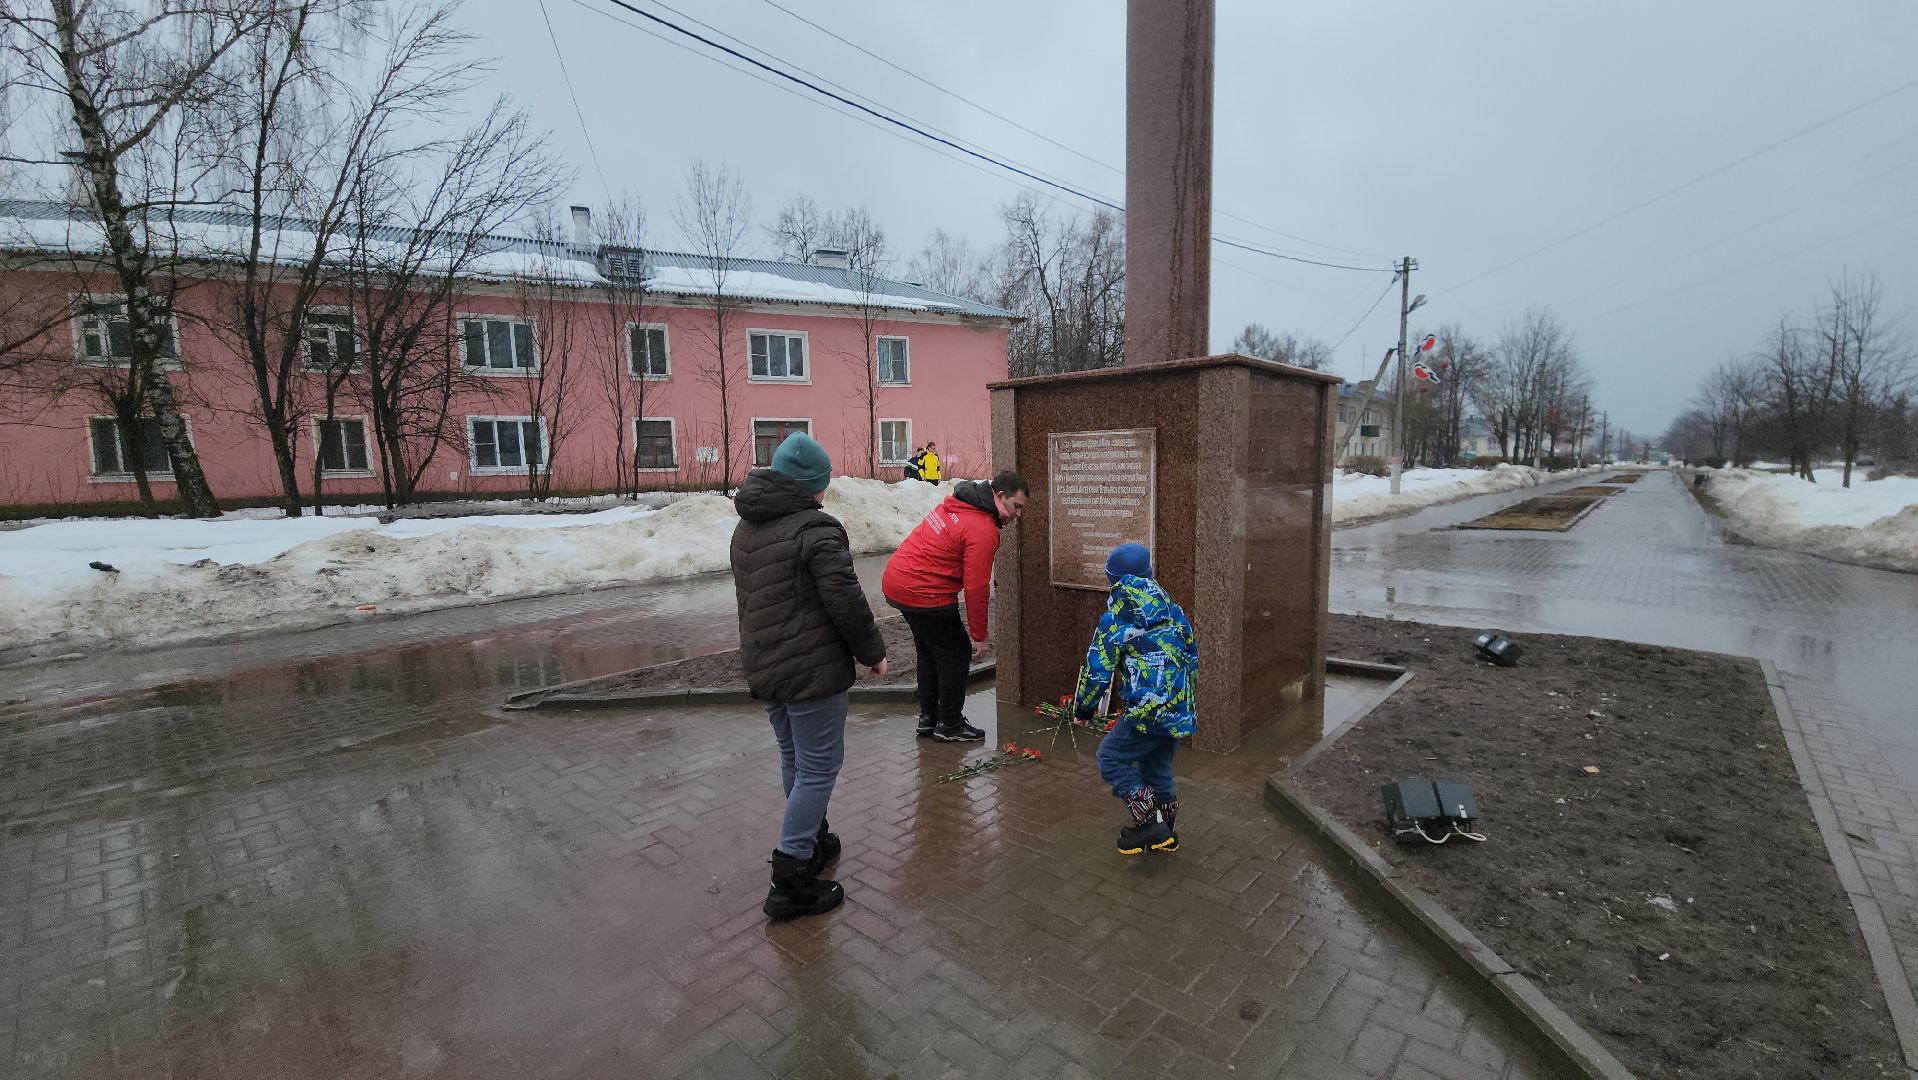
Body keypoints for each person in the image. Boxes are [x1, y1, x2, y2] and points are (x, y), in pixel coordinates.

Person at [731, 431, 888, 920]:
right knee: (818, 768)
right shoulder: (816, 529)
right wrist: (873, 653)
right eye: (823, 481)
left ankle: (812, 840)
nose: (826, 489)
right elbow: (847, 601)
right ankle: (791, 877)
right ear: (810, 485)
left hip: (767, 664)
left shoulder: (748, 527)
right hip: (810, 670)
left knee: (794, 759)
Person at [881, 470, 1028, 742]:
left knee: (930, 649)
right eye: (1016, 506)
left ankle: (929, 717)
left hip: (898, 581)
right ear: (1000, 496)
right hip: (924, 591)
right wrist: (979, 636)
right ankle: (949, 723)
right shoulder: (982, 528)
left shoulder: (957, 504)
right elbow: (976, 588)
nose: (1017, 515)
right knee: (956, 653)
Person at [1073, 544, 1198, 856]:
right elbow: (1191, 656)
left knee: (1110, 758)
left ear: (1112, 580)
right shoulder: (1174, 609)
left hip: (1146, 712)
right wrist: (1182, 701)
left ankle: (1149, 822)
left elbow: (1097, 670)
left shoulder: (1115, 619)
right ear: (1149, 574)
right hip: (1177, 707)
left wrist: (1084, 708)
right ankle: (1166, 833)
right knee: (1157, 768)